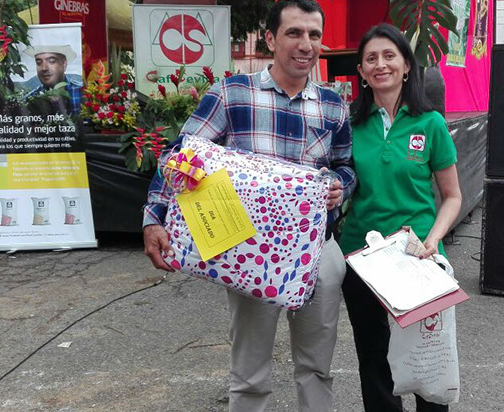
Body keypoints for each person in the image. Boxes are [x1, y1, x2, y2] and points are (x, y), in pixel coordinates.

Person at [142, 2, 355, 411]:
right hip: (251, 254)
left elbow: (346, 166)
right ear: (271, 39)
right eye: (294, 33)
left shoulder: (333, 105)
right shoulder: (232, 94)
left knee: (317, 368)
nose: (305, 44)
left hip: (317, 251)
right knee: (250, 374)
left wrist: (338, 187)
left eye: (314, 35)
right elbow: (181, 156)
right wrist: (155, 218)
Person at [338, 23, 463, 412]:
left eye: (389, 56)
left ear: (407, 65)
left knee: (427, 360)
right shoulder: (350, 125)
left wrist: (433, 240)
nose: (381, 65)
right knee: (374, 359)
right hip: (362, 258)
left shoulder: (431, 123)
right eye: (371, 58)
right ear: (361, 71)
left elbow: (452, 196)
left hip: (418, 257)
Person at [23, 45, 83, 114]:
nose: (44, 68)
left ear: (64, 64)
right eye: (38, 63)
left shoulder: (84, 93)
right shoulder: (29, 100)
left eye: (51, 61)